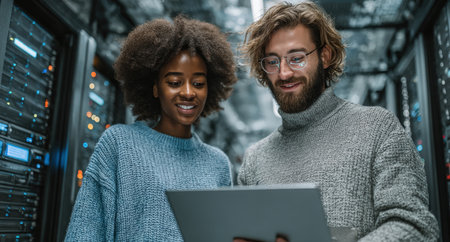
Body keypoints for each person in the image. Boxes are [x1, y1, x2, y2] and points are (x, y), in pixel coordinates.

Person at [238, 1, 439, 241]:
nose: (284, 73)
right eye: (272, 61)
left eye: (297, 58)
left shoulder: (377, 128)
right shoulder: (254, 161)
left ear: (325, 55)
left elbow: (415, 226)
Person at [65, 16, 237, 241]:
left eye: (198, 83)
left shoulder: (218, 164)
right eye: (175, 82)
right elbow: (84, 232)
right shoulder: (119, 144)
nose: (188, 92)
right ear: (155, 88)